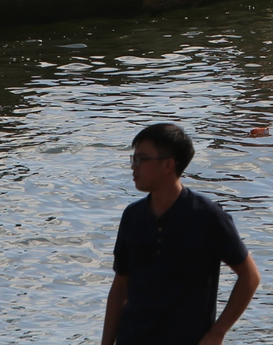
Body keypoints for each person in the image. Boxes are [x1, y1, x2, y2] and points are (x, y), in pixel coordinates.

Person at [103, 123, 260, 345]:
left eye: (141, 159)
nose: (133, 167)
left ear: (168, 165)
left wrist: (218, 332)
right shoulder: (133, 216)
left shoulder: (207, 216)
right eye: (133, 159)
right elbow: (120, 286)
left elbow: (250, 277)